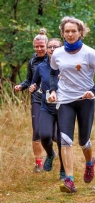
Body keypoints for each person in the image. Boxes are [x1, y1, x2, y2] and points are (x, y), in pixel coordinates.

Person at [48, 16, 95, 193]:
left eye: (74, 31)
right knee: (65, 139)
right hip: (65, 99)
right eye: (67, 31)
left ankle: (90, 163)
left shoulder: (89, 52)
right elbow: (53, 73)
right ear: (63, 33)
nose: (70, 34)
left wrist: (94, 91)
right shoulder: (57, 53)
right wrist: (53, 91)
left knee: (83, 141)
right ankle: (69, 180)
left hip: (85, 100)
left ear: (80, 32)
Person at [29, 38, 65, 180]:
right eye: (50, 47)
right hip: (46, 105)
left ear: (61, 49)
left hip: (64, 106)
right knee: (44, 135)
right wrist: (33, 87)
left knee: (62, 140)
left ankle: (63, 170)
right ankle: (50, 154)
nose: (52, 49)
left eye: (55, 47)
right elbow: (35, 82)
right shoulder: (41, 67)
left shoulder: (66, 65)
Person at [14, 28, 48, 172]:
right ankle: (39, 164)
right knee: (37, 131)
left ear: (47, 46)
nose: (39, 49)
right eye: (37, 46)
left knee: (51, 134)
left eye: (42, 46)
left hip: (52, 99)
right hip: (36, 99)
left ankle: (53, 155)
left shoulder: (52, 59)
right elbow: (29, 79)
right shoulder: (32, 60)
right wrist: (21, 86)